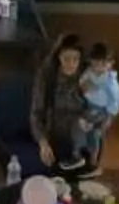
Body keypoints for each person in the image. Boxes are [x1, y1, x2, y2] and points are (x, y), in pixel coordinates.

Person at [33, 36, 99, 173]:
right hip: (55, 137)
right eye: (66, 58)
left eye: (75, 59)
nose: (71, 64)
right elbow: (36, 113)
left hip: (82, 138)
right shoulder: (47, 77)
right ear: (58, 57)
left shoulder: (88, 77)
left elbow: (98, 109)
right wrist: (43, 144)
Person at [79, 40, 119, 154]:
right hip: (88, 105)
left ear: (111, 63)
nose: (99, 68)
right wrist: (85, 86)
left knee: (94, 132)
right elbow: (82, 84)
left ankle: (93, 154)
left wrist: (109, 117)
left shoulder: (110, 82)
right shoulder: (88, 73)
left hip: (102, 110)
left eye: (103, 64)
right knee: (84, 128)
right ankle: (84, 148)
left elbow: (115, 100)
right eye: (96, 63)